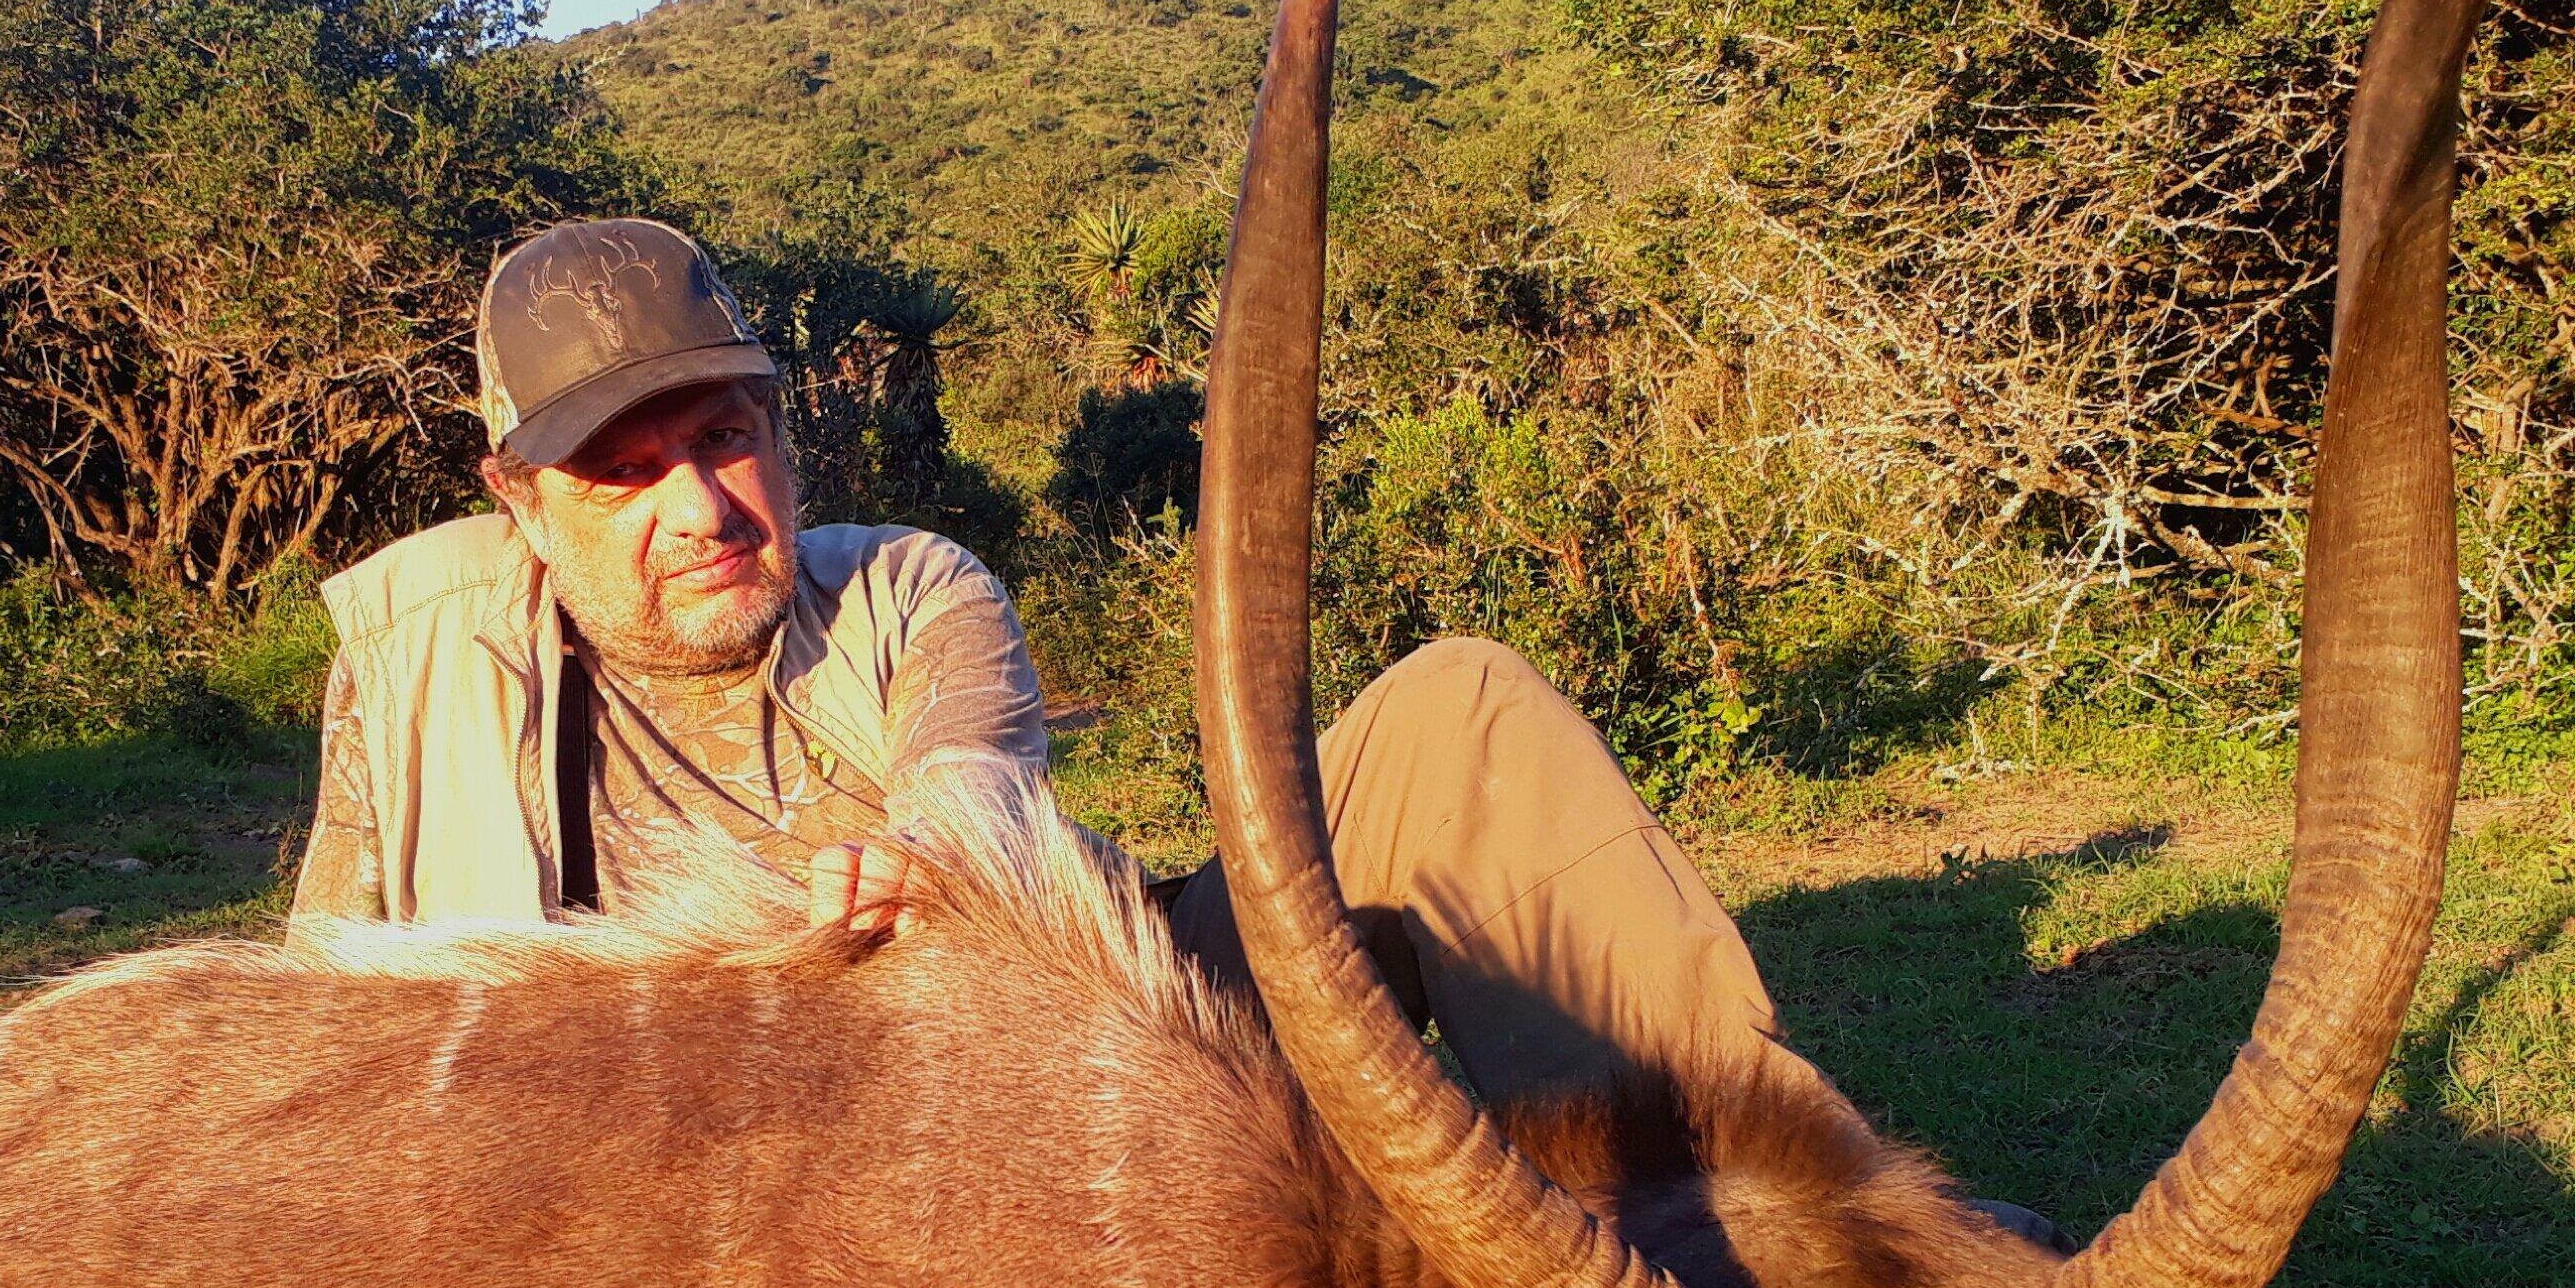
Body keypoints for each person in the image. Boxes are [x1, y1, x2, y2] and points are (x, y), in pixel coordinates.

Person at [293, 215, 1788, 1110]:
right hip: (669, 1191)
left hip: (1042, 1073)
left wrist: (927, 862)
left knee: (1459, 719)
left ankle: (1791, 1240)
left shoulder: (914, 584)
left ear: (777, 430)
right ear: (520, 504)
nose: (698, 508)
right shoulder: (411, 676)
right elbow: (316, 1039)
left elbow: (971, 784)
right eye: (622, 473)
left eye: (721, 438)